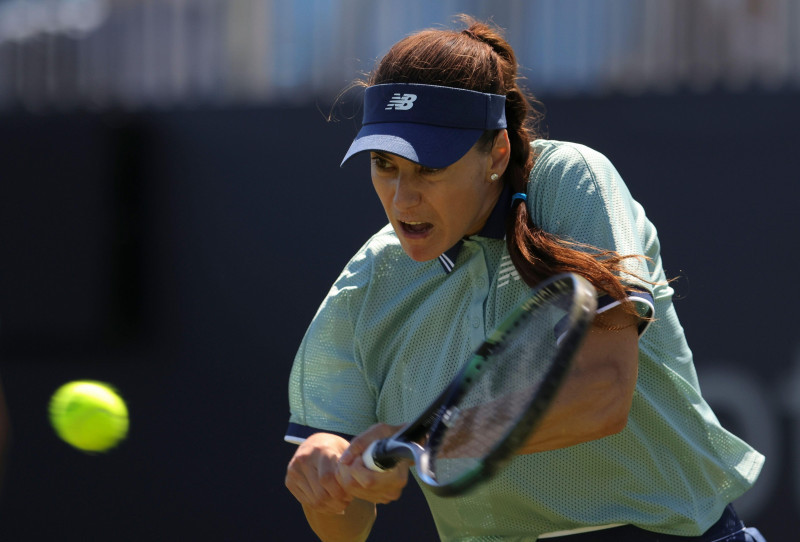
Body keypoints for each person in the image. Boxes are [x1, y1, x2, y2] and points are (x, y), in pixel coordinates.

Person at [284, 16, 766, 542]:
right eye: (384, 164)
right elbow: (346, 530)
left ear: (496, 152)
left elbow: (602, 393)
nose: (402, 199)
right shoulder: (367, 282)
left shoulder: (570, 180)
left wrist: (430, 437)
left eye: (430, 168)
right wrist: (325, 473)